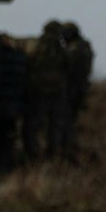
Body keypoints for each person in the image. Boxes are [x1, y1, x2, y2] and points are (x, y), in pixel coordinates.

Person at [21, 19, 74, 161]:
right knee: (55, 125)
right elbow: (69, 67)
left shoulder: (36, 46)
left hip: (39, 92)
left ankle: (32, 153)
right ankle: (52, 153)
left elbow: (28, 64)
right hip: (57, 92)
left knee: (33, 124)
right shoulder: (61, 49)